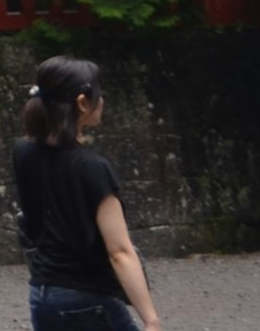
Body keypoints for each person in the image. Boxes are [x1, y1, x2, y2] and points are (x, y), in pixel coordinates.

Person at [13, 55, 162, 331]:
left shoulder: (23, 152)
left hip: (42, 294)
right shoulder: (93, 168)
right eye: (99, 93)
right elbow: (119, 251)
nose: (102, 100)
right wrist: (151, 319)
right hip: (87, 298)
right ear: (83, 103)